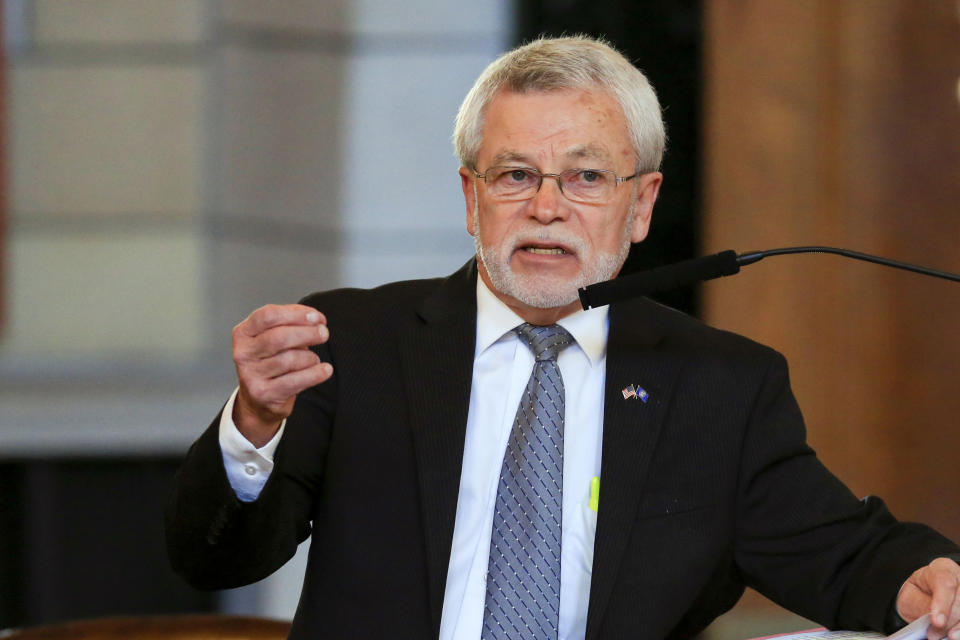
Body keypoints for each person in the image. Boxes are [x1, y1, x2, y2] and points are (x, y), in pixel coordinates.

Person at [166, 36, 960, 640]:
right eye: (515, 176)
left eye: (585, 177)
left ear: (642, 204)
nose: (547, 207)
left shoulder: (718, 385)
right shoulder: (357, 344)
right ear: (472, 200)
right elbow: (214, 559)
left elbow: (848, 555)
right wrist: (253, 426)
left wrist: (930, 578)